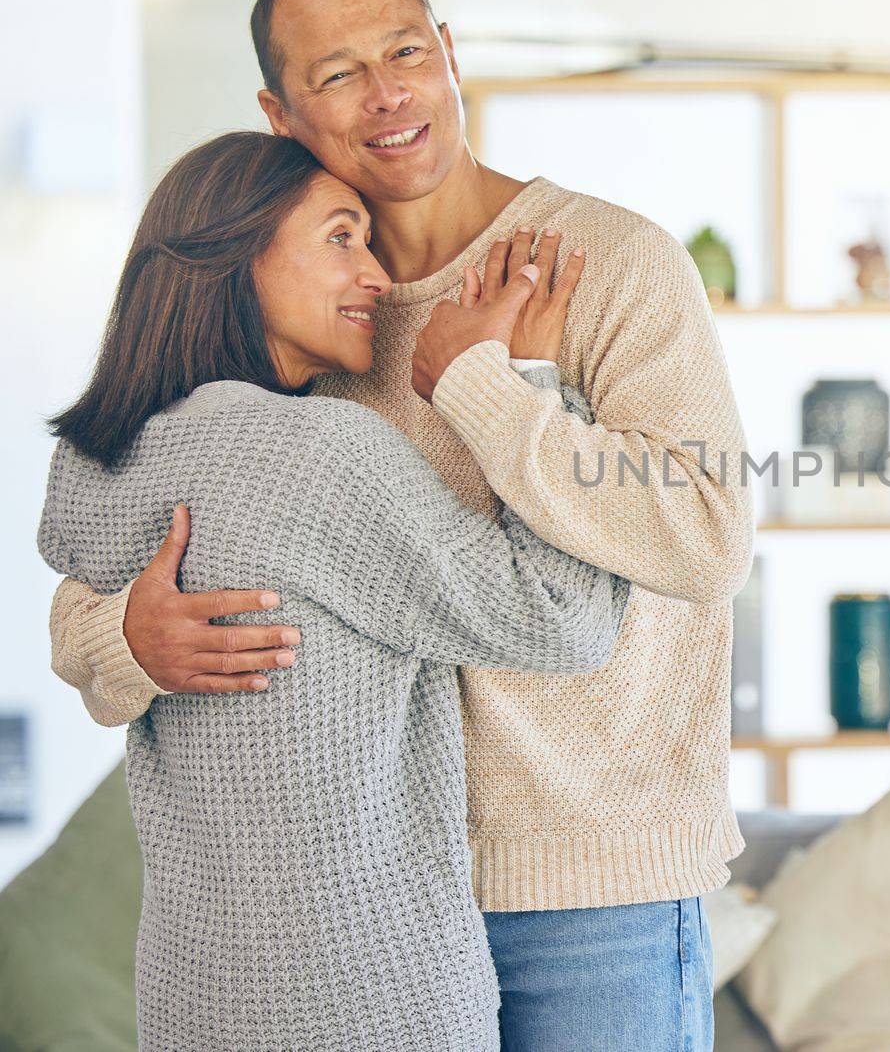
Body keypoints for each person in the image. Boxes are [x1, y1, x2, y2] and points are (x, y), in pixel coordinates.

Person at [47, 0, 754, 1050]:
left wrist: (481, 383)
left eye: (405, 50)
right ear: (280, 114)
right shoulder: (303, 306)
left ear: (450, 57)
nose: (387, 94)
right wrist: (125, 636)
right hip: (371, 909)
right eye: (337, 75)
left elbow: (708, 534)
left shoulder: (611, 264)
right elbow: (133, 523)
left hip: (592, 894)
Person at [38, 130, 630, 1050]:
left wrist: (109, 637)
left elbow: (75, 615)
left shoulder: (95, 461)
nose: (380, 280)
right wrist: (521, 384)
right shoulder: (317, 456)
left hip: (191, 999)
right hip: (369, 996)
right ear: (236, 253)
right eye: (342, 238)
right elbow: (564, 618)